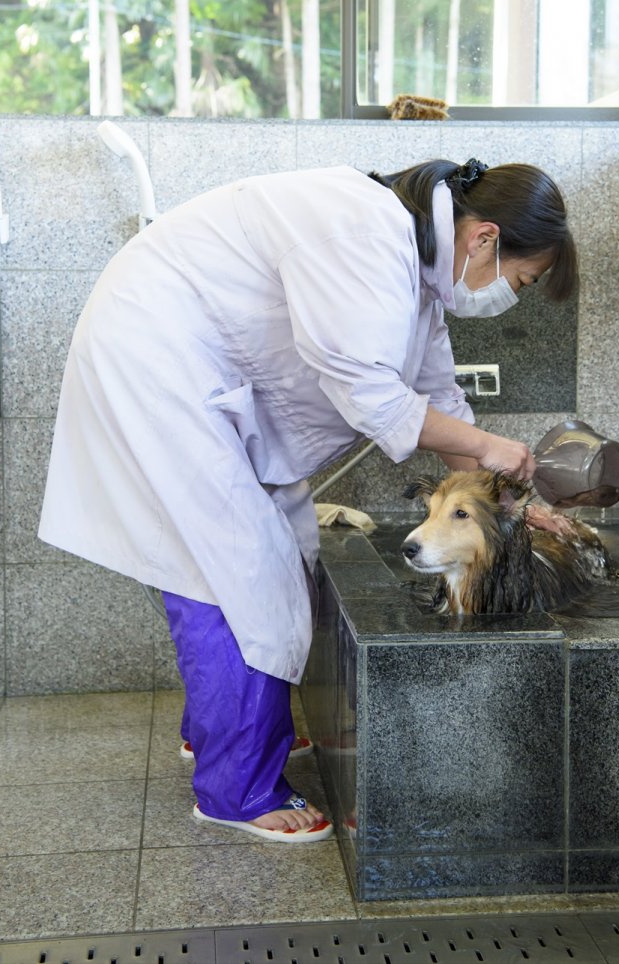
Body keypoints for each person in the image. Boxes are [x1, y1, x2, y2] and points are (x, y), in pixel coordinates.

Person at [38, 156, 577, 843]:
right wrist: (495, 448)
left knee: (283, 551)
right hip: (157, 364)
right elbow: (375, 399)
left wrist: (513, 502)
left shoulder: (416, 269)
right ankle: (233, 789)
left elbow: (440, 403)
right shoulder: (366, 229)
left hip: (195, 373)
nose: (512, 295)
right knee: (229, 572)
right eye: (522, 280)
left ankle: (220, 733)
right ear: (484, 239)